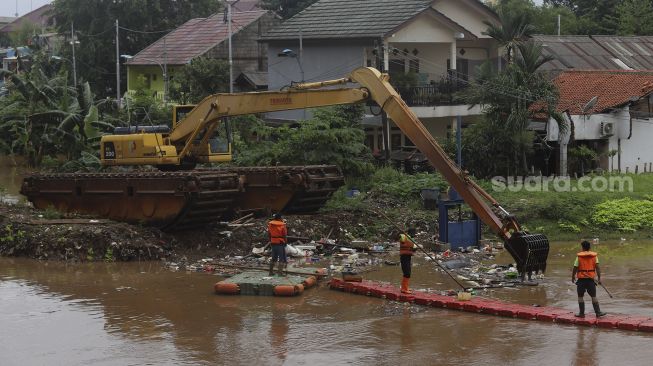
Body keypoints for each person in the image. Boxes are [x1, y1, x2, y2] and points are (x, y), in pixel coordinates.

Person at [572, 240, 607, 318]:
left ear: (582, 248)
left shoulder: (579, 257)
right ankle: (598, 312)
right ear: (589, 247)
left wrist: (572, 276)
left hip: (581, 280)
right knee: (593, 296)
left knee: (580, 296)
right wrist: (599, 278)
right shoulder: (594, 257)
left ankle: (581, 314)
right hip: (591, 279)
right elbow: (598, 268)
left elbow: (575, 268)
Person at [399, 227, 417, 294]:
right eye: (414, 233)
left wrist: (415, 248)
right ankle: (404, 289)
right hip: (404, 257)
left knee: (408, 273)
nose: (414, 234)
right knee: (407, 273)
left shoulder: (411, 239)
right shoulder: (405, 236)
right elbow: (401, 237)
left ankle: (405, 288)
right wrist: (401, 233)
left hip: (408, 257)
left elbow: (414, 248)